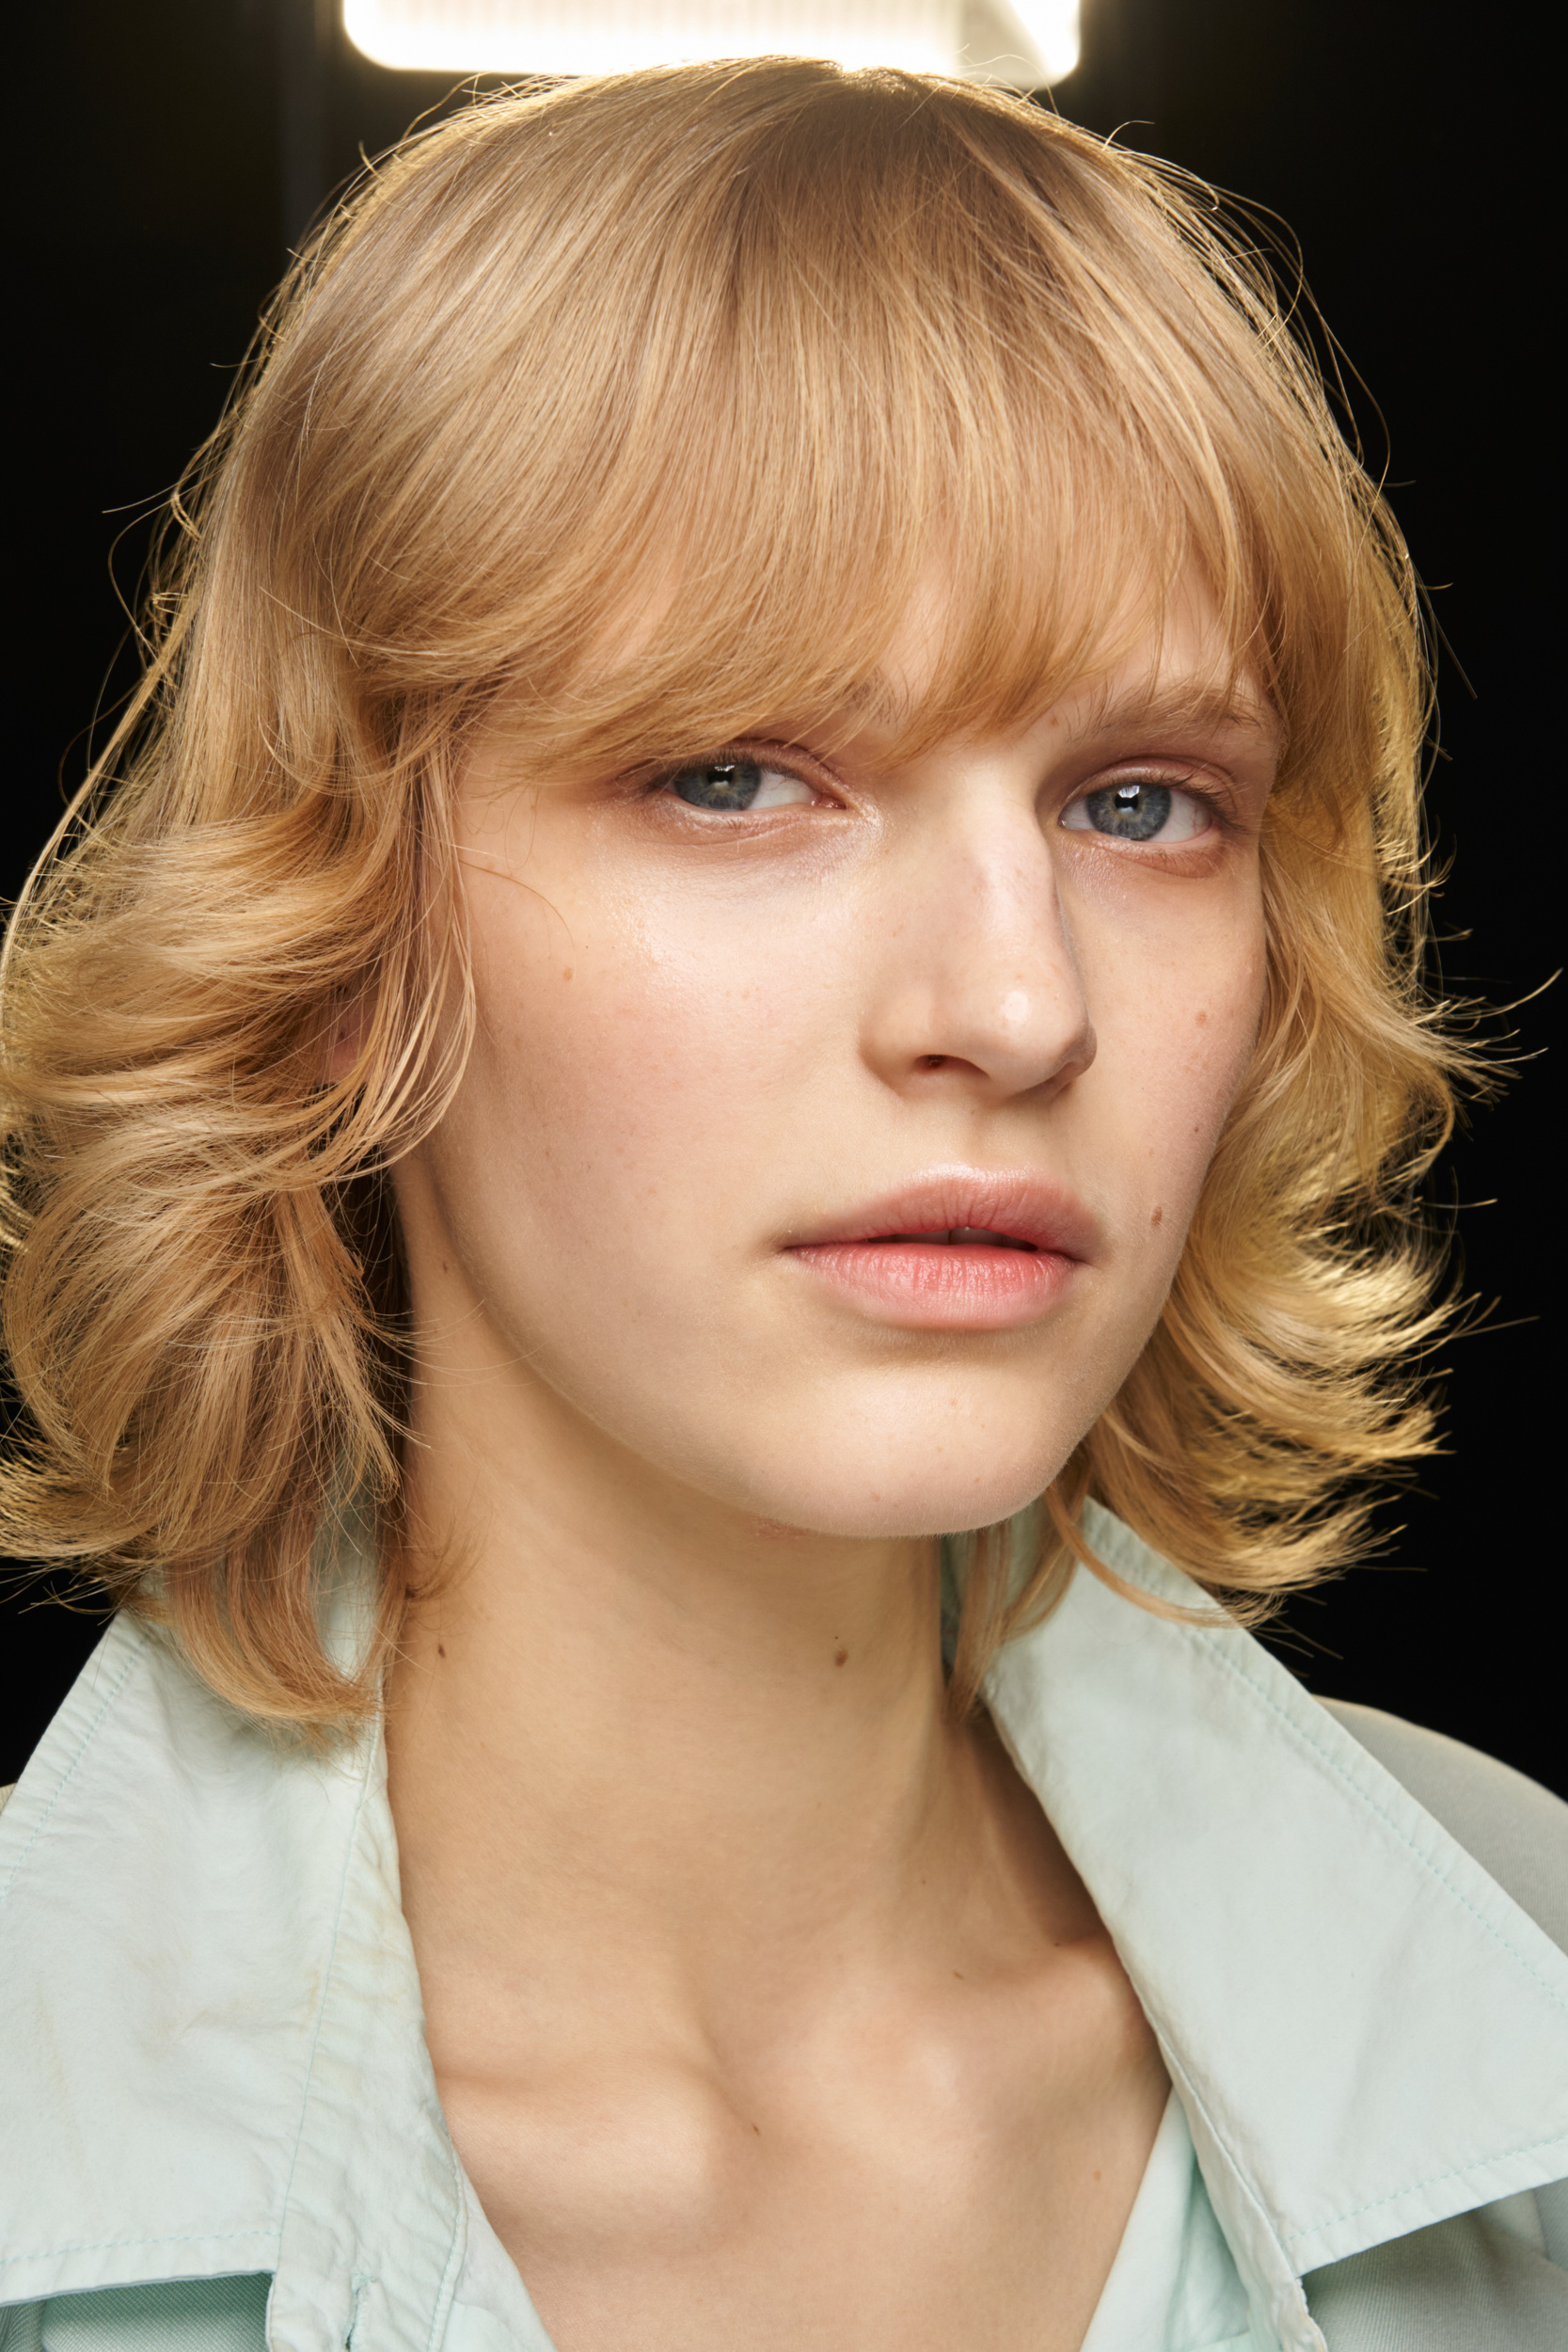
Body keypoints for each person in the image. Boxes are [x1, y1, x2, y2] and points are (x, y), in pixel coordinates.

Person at [0, 57, 1563, 2352]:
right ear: (340, 935)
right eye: (737, 775)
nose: (1017, 1004)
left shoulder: (1531, 1961)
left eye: (1142, 802)